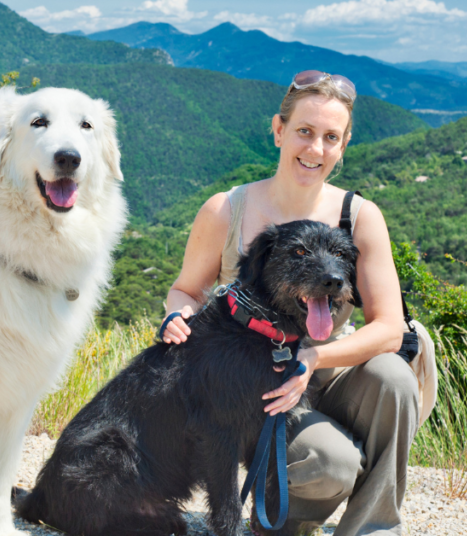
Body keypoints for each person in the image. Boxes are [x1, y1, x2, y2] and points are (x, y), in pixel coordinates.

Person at [159, 71, 419, 536]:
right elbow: (187, 290)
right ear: (279, 130)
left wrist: (312, 357)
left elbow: (389, 328)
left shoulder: (359, 218)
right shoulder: (226, 211)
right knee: (330, 464)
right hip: (250, 386)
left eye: (330, 137)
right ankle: (285, 515)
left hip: (326, 373)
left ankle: (373, 529)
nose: (315, 149)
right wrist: (177, 314)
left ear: (344, 145)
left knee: (394, 374)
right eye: (304, 131)